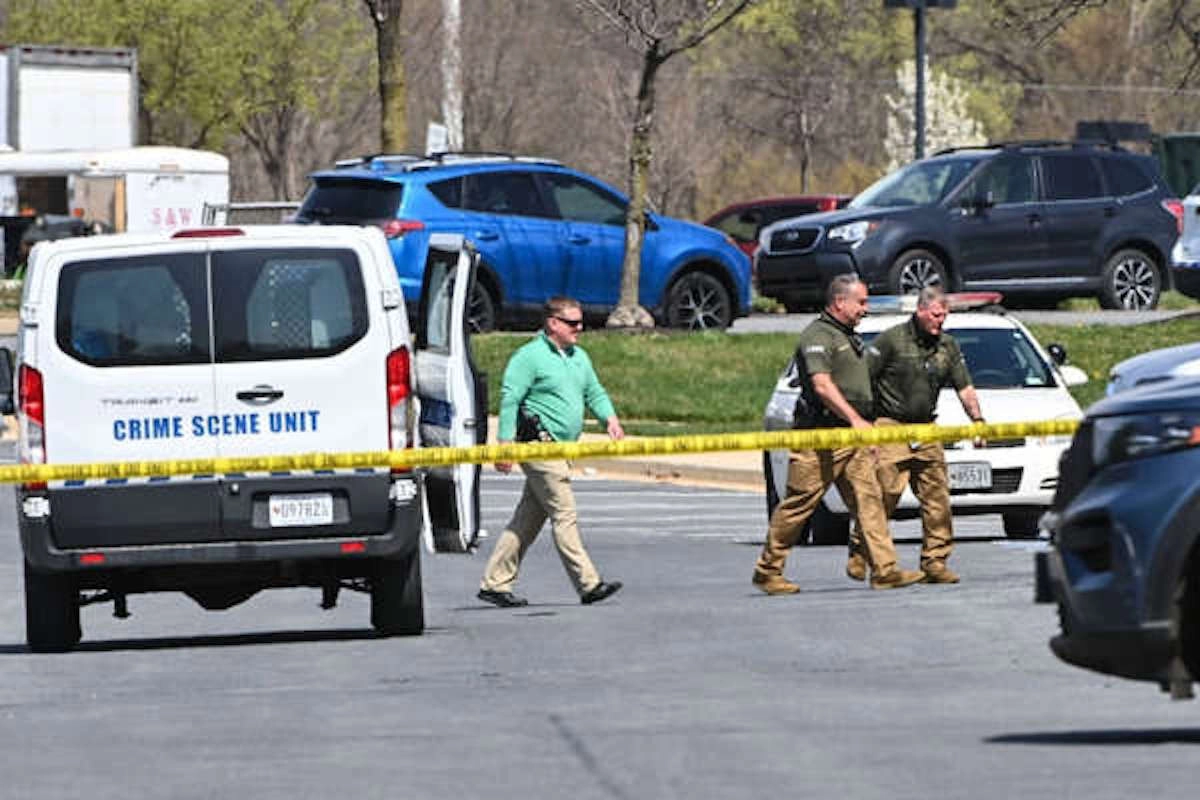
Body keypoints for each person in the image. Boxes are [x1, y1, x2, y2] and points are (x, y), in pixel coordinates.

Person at [752, 274, 925, 594]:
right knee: (798, 505)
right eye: (861, 302)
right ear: (839, 302)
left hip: (851, 438)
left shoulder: (848, 336)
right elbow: (822, 385)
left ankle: (885, 570)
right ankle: (768, 570)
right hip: (821, 437)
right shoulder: (817, 335)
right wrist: (855, 420)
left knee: (869, 500)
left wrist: (865, 427)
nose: (865, 308)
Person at [477, 296, 625, 608]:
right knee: (564, 512)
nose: (579, 328)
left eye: (581, 322)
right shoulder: (529, 357)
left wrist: (609, 419)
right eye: (572, 323)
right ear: (553, 323)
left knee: (527, 520)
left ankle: (495, 583)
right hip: (539, 446)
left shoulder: (579, 357)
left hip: (563, 449)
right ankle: (588, 583)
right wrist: (504, 444)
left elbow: (594, 392)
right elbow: (510, 400)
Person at [845, 286, 984, 585]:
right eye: (935, 315)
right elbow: (862, 380)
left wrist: (977, 420)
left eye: (944, 315)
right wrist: (862, 423)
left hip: (926, 428)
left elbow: (965, 387)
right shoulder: (892, 340)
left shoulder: (948, 346)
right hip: (890, 425)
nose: (940, 321)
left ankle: (935, 561)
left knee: (937, 499)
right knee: (886, 494)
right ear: (920, 311)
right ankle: (860, 548)